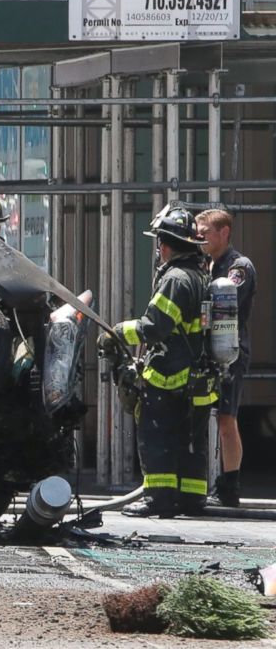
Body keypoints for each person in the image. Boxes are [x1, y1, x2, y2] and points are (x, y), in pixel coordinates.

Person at [98, 206, 212, 518]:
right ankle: (191, 499)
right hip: (201, 380)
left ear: (163, 244)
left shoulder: (175, 279)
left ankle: (158, 500)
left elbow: (154, 326)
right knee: (190, 441)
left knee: (157, 436)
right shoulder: (201, 275)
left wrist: (116, 332)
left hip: (170, 378)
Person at [196, 208, 256, 507]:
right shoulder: (204, 264)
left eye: (205, 233)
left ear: (224, 233)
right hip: (206, 352)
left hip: (229, 352)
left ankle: (229, 486)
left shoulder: (238, 267)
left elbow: (226, 298)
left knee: (226, 419)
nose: (200, 238)